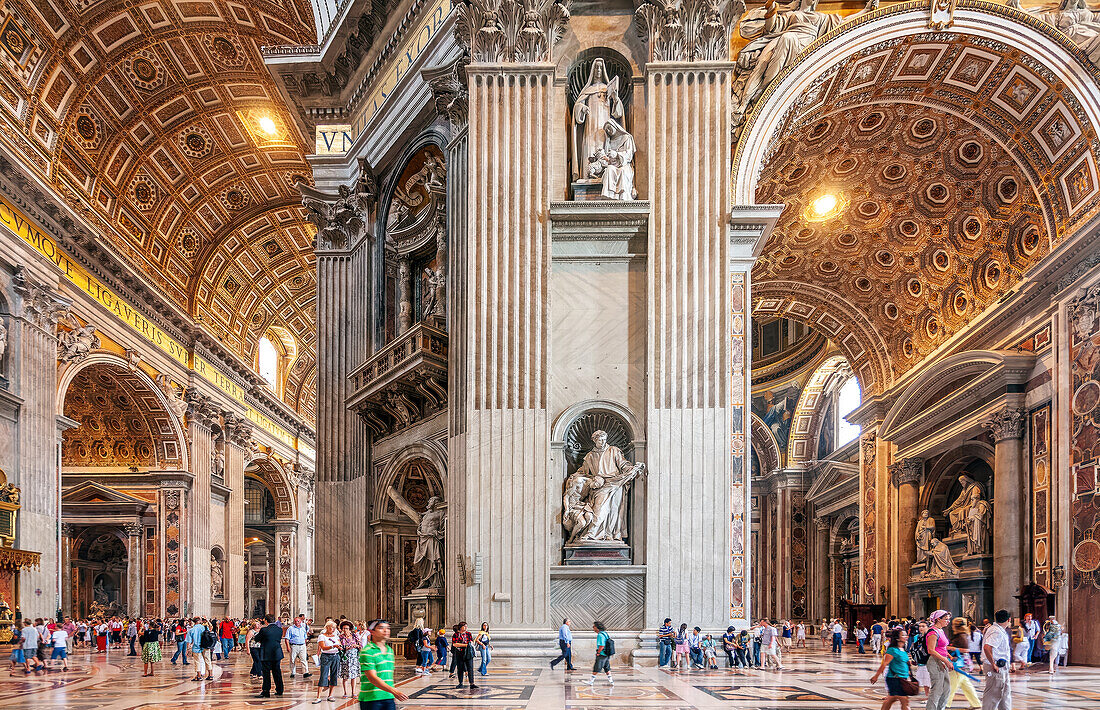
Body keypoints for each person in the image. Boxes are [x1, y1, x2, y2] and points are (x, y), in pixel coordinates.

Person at [358, 619, 408, 710]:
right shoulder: (367, 651)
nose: (386, 631)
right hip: (371, 698)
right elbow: (372, 678)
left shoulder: (389, 651)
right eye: (381, 628)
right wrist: (394, 691)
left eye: (388, 628)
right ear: (372, 632)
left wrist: (392, 693)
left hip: (388, 697)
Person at [870, 627, 914, 710]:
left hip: (902, 678)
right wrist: (876, 676)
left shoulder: (902, 649)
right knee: (904, 700)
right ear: (897, 638)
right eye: (903, 635)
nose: (906, 636)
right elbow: (884, 663)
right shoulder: (892, 650)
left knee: (891, 699)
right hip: (894, 679)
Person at [947, 617, 980, 709]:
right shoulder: (960, 635)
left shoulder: (961, 636)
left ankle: (946, 703)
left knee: (951, 685)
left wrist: (951, 648)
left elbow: (966, 649)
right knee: (966, 685)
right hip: (961, 664)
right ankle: (976, 703)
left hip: (959, 664)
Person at [982, 610, 1012, 710]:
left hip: (1002, 666)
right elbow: (987, 647)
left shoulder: (997, 629)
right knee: (993, 694)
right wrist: (993, 663)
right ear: (1009, 619)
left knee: (1004, 693)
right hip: (996, 667)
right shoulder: (996, 631)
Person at [924, 610, 953, 710]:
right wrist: (946, 661)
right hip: (935, 662)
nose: (948, 622)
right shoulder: (933, 632)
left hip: (941, 660)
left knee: (946, 689)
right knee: (937, 690)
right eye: (946, 619)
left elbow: (941, 647)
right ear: (938, 619)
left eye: (949, 619)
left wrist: (948, 655)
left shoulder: (940, 630)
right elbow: (931, 650)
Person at [255, 614, 285, 698]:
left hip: (266, 653)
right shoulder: (279, 629)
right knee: (277, 672)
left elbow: (256, 639)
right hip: (277, 653)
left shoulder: (264, 630)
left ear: (265, 620)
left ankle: (266, 691)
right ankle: (279, 690)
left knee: (266, 673)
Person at [313, 620, 341, 704]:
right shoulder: (322, 636)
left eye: (334, 628)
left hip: (335, 656)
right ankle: (318, 697)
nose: (333, 629)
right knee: (323, 675)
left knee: (334, 675)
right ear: (327, 627)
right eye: (331, 627)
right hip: (326, 657)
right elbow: (323, 647)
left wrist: (340, 647)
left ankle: (330, 695)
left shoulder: (335, 636)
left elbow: (339, 644)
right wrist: (333, 646)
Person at [584, 620, 614, 686]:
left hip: (602, 654)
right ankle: (611, 681)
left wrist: (598, 652)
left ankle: (591, 681)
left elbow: (602, 645)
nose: (593, 628)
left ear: (597, 627)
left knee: (597, 668)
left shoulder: (600, 635)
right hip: (606, 654)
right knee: (606, 667)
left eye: (594, 626)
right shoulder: (605, 633)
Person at [339, 620, 362, 698]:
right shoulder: (341, 637)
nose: (345, 630)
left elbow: (360, 645)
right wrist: (345, 648)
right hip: (346, 658)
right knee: (345, 676)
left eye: (347, 628)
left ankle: (353, 692)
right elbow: (340, 647)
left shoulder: (354, 635)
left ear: (350, 629)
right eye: (344, 628)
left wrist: (356, 645)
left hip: (354, 658)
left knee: (353, 676)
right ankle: (345, 692)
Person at [450, 622, 477, 689]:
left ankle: (472, 683)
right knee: (460, 668)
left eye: (466, 626)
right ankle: (460, 683)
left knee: (470, 668)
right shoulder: (456, 634)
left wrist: (470, 643)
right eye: (464, 626)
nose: (465, 628)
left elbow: (471, 641)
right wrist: (466, 645)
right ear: (460, 627)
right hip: (459, 653)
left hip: (468, 652)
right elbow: (455, 644)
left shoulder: (468, 634)